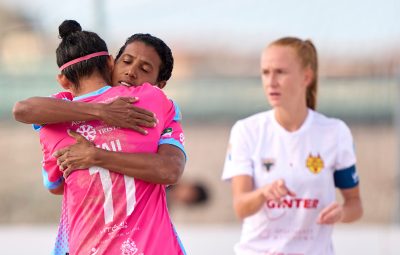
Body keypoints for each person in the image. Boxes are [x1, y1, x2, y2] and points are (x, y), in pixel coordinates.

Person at [16, 20, 186, 255]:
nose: (131, 71)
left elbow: (54, 185)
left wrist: (95, 156)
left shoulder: (53, 119)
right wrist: (102, 112)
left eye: (145, 70)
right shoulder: (157, 103)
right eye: (126, 61)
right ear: (110, 63)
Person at [222, 37, 363, 255]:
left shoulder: (334, 132)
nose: (271, 81)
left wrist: (341, 213)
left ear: (306, 77)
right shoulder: (246, 130)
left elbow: (355, 205)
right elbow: (240, 207)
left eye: (280, 72)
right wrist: (263, 193)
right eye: (265, 72)